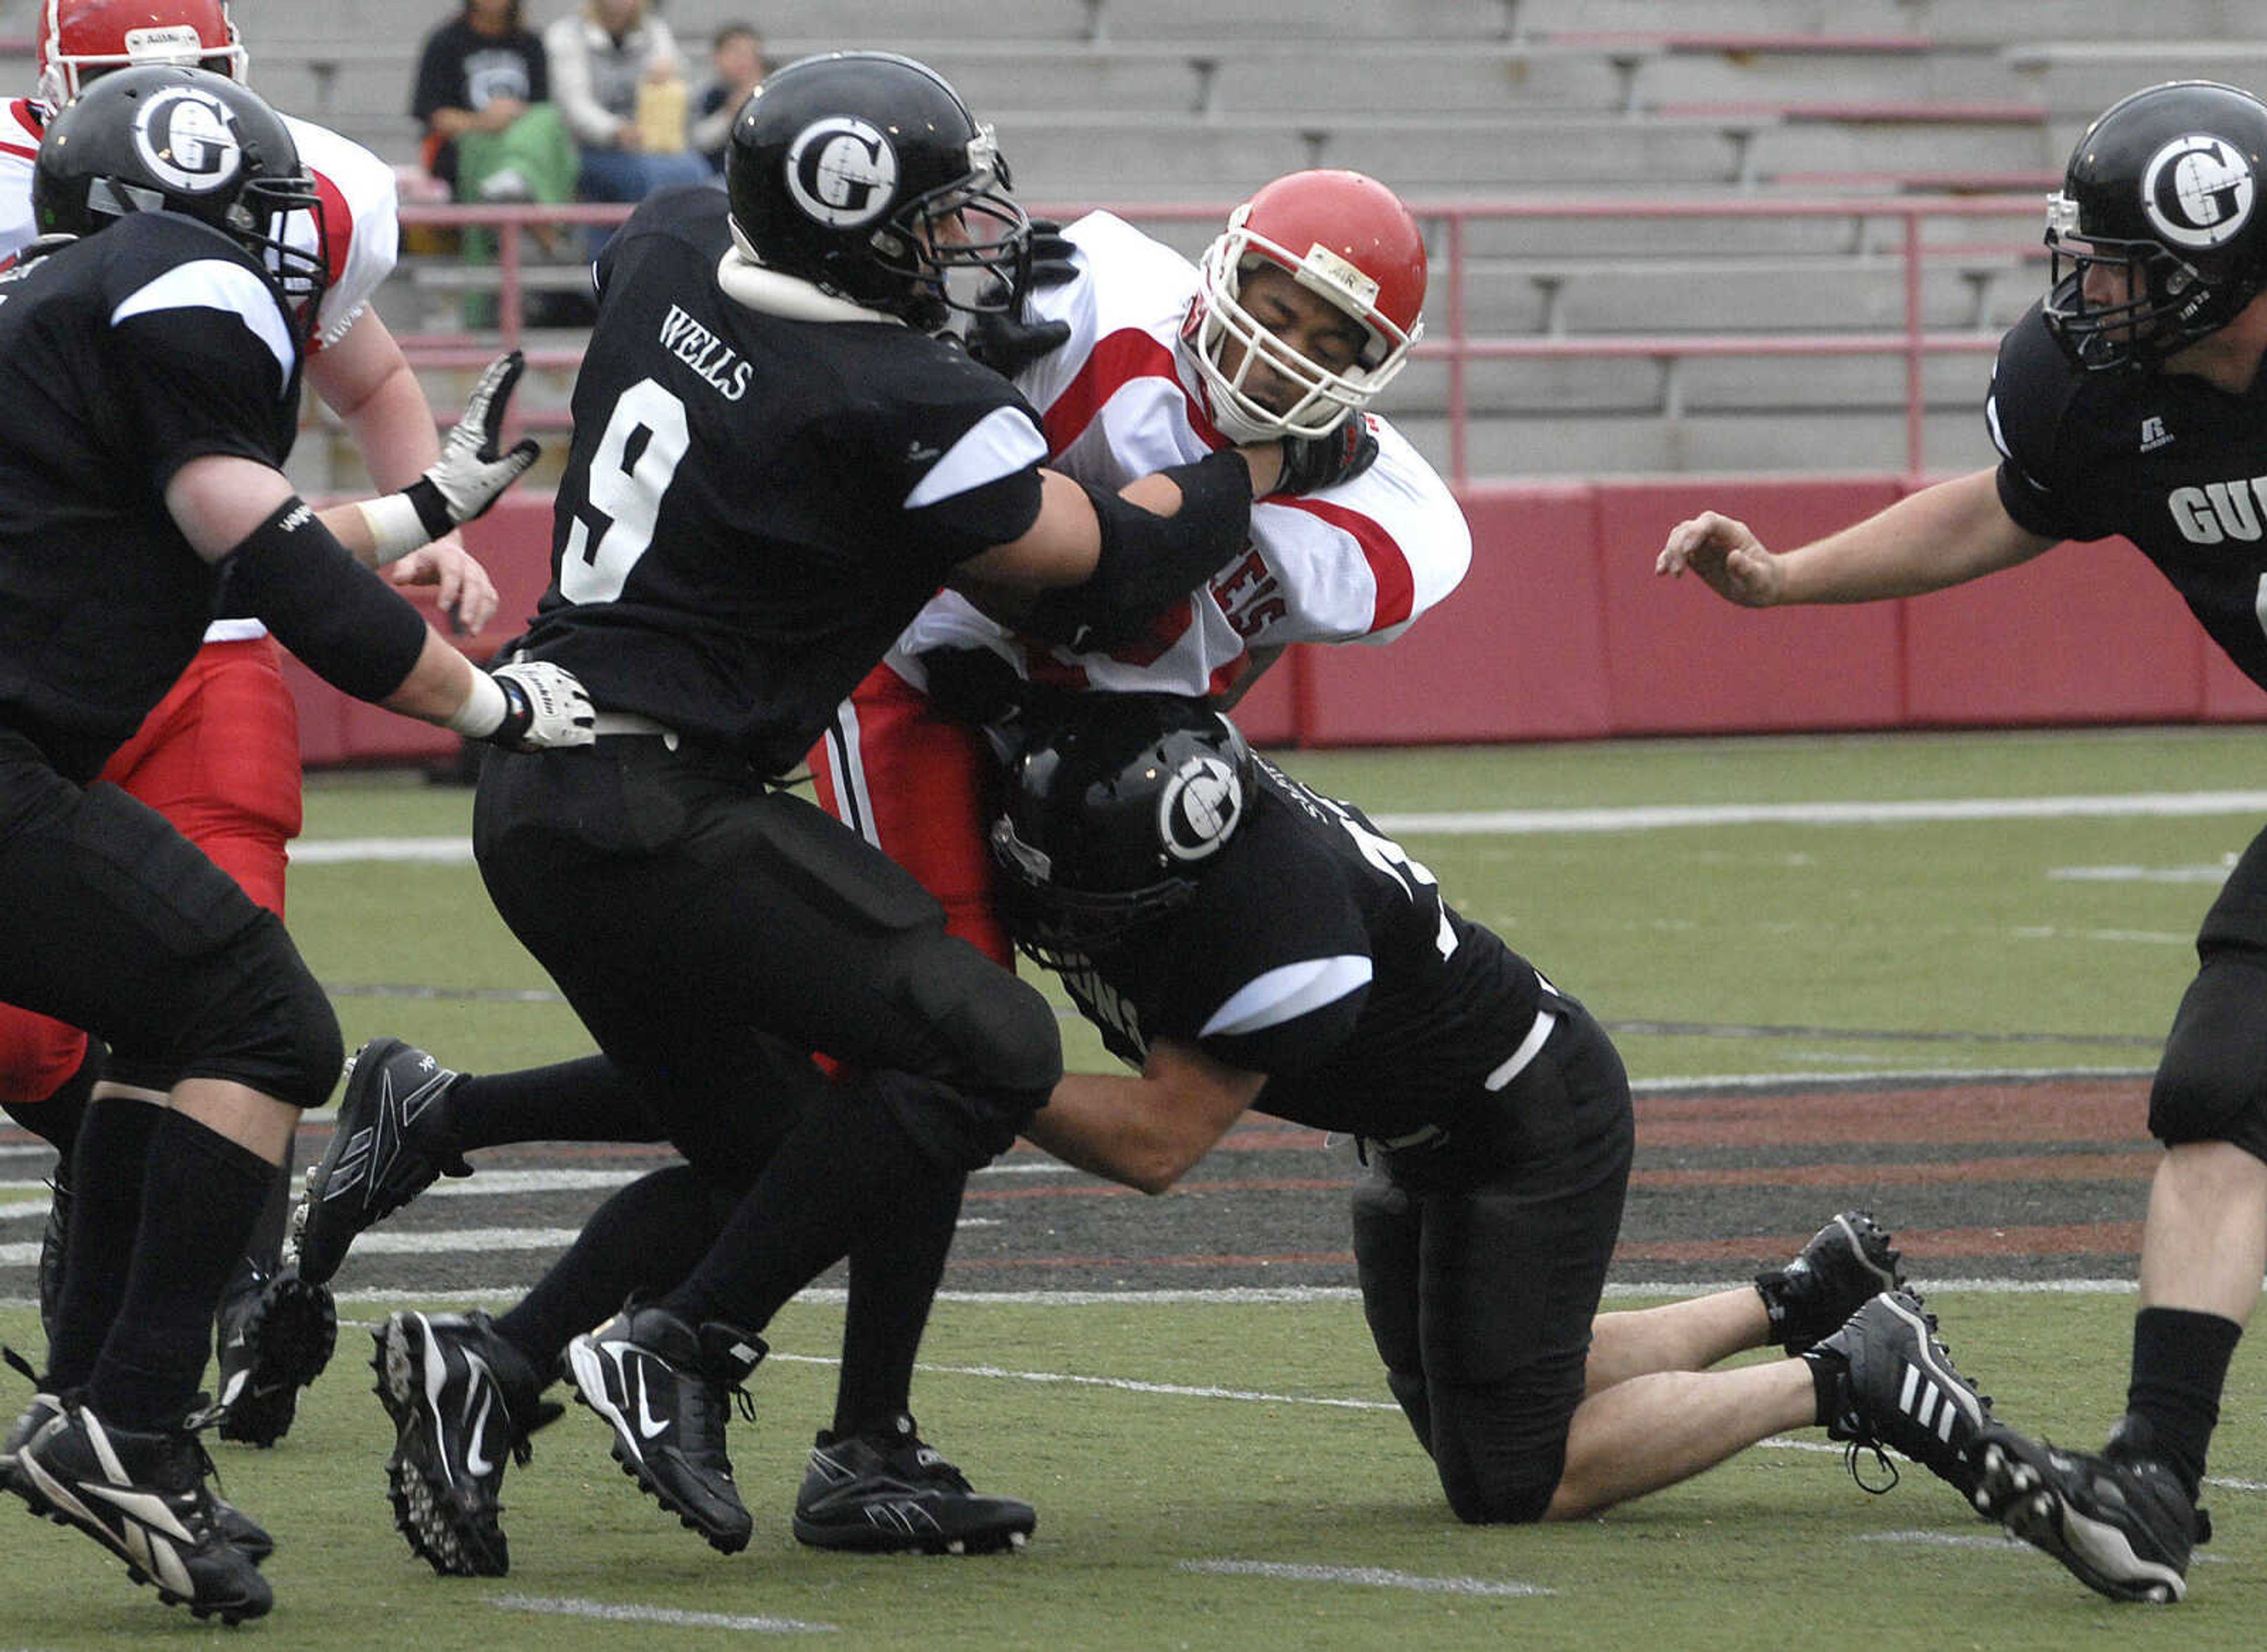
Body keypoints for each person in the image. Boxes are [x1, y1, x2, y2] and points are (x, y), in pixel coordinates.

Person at [345, 49, 1359, 1579]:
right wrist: (1264, 458)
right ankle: (684, 1343)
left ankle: (494, 1363)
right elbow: (1105, 564)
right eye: (941, 225)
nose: (972, 248)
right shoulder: (897, 393)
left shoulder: (676, 229)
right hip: (658, 801)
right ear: (853, 227)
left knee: (795, 1142)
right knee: (987, 1045)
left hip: (541, 792)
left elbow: (712, 319)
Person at [1655, 77, 2267, 1605]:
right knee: (2220, 1085)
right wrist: (1789, 578)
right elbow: (2010, 503)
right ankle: (2153, 1476)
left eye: (2126, 266)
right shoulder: (2090, 392)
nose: (2088, 292)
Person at [0, 65, 592, 1624]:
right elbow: (258, 544)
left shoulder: (69, 313)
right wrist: (494, 703)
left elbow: (211, 530)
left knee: (169, 1014)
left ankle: (94, 1409)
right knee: (267, 1021)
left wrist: (419, 508)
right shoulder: (181, 282)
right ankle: (125, 1416)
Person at [984, 692, 1993, 1526]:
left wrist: (963, 1063)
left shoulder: (1278, 927)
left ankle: (1851, 1372)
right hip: (1422, 1126)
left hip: (1526, 1119)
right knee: (1471, 1407)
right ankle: (1804, 1294)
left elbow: (1160, 1141)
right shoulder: (1223, 854)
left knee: (1515, 1476)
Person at [544, 0, 710, 224]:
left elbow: (684, 85)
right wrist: (616, 131)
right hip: (588, 149)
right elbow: (574, 105)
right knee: (648, 177)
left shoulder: (655, 30)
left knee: (693, 168)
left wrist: (670, 78)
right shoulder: (566, 35)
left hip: (647, 145)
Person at [410, 0, 577, 213]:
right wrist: (483, 122)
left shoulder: (529, 43)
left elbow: (540, 111)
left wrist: (511, 114)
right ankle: (548, 234)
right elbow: (433, 114)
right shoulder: (445, 42)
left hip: (521, 137)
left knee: (548, 129)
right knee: (508, 162)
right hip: (464, 145)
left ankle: (517, 182)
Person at [690, 21, 766, 174]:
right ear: (717, 57)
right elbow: (697, 141)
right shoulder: (709, 95)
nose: (743, 61)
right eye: (735, 53)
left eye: (750, 54)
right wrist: (730, 113)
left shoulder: (772, 94)